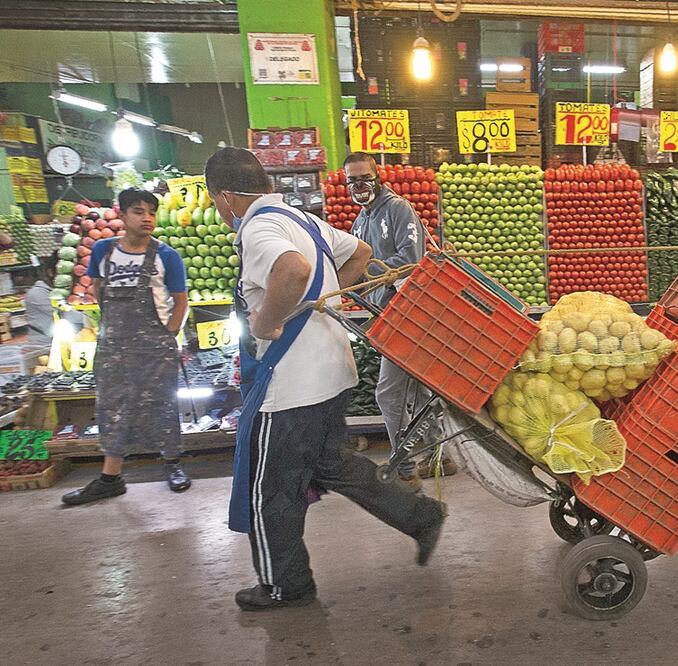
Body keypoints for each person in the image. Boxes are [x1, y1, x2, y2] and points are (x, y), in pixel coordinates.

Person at [205, 147, 445, 612]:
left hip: (292, 384)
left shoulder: (259, 227)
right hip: (333, 370)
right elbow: (360, 252)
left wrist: (265, 323)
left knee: (270, 485)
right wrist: (326, 299)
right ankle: (421, 516)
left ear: (229, 197)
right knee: (333, 464)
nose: (220, 210)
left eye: (217, 201)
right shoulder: (302, 220)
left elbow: (291, 270)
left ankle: (284, 583)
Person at [61, 189, 191, 505]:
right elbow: (97, 288)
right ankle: (111, 477)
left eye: (151, 212)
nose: (146, 218)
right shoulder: (104, 250)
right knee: (112, 410)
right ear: (122, 215)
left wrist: (168, 335)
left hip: (154, 348)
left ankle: (173, 464)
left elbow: (180, 301)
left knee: (162, 406)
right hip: (113, 349)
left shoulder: (167, 256)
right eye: (138, 211)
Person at [344, 152, 456, 490]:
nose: (359, 185)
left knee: (388, 394)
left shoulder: (398, 209)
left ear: (378, 177)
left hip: (409, 315)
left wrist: (362, 273)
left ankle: (404, 467)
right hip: (386, 316)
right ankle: (440, 456)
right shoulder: (360, 222)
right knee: (418, 392)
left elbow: (410, 261)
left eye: (364, 177)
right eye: (352, 180)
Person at [24, 253, 58, 348]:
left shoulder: (59, 292)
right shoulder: (37, 293)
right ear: (51, 272)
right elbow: (64, 313)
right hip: (43, 345)